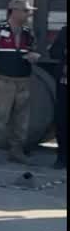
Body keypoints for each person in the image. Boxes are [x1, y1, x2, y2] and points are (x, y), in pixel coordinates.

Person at [0, 0, 42, 164]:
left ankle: (16, 151)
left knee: (21, 121)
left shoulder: (28, 32)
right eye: (26, 11)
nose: (29, 14)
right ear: (14, 11)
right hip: (3, 82)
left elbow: (32, 49)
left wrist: (32, 57)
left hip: (23, 82)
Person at [50, 26, 67, 170]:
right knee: (62, 122)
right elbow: (53, 53)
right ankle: (61, 157)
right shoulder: (65, 31)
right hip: (64, 85)